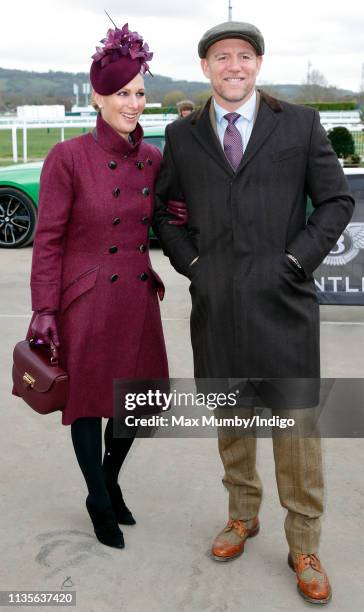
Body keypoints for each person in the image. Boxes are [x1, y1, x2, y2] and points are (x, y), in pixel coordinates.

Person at [152, 21, 354, 604]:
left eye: (243, 56)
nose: (233, 66)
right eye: (221, 57)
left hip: (283, 303)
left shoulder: (299, 123)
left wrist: (297, 259)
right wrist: (194, 267)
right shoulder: (183, 135)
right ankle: (242, 515)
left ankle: (305, 544)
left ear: (258, 64)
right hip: (218, 306)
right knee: (233, 419)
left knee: (295, 428)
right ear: (205, 67)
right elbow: (164, 212)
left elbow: (336, 200)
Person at [27, 23, 170, 550]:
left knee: (139, 398)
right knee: (87, 402)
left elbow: (169, 216)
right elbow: (48, 240)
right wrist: (44, 308)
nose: (132, 104)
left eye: (138, 93)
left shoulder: (154, 160)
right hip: (85, 298)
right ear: (97, 95)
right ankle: (97, 495)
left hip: (135, 293)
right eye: (121, 93)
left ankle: (110, 479)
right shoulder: (67, 157)